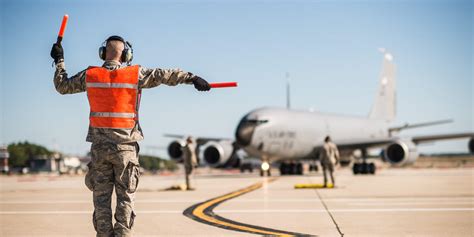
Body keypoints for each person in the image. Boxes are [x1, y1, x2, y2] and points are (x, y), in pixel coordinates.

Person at [50, 35, 210, 237]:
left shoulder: (90, 75)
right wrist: (192, 78)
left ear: (103, 53)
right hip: (126, 149)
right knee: (125, 199)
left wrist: (59, 61)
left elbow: (62, 86)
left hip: (99, 149)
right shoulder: (135, 74)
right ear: (126, 55)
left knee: (101, 202)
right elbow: (164, 75)